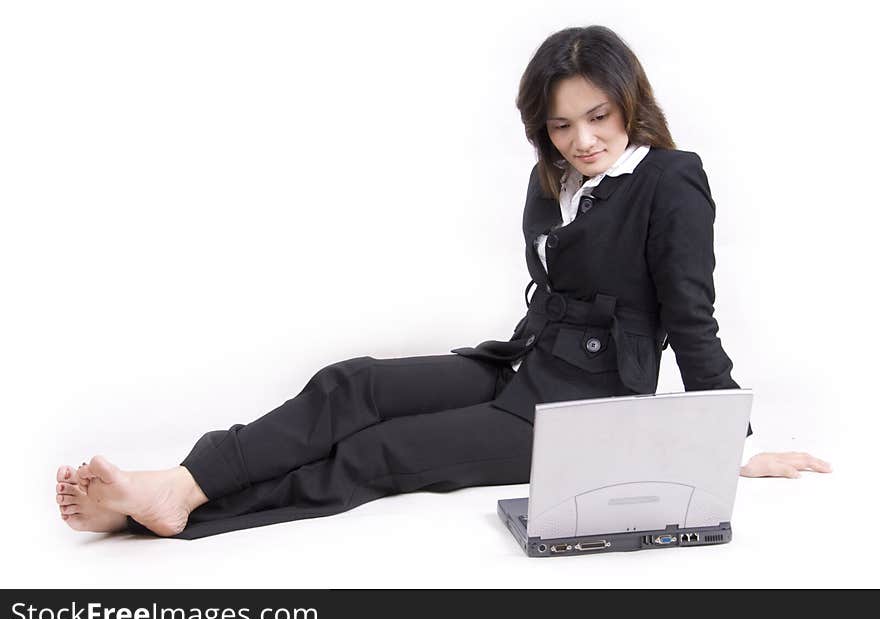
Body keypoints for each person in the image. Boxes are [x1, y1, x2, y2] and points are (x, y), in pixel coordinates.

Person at [56, 25, 831, 540]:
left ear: (631, 102)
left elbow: (692, 319)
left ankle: (165, 515)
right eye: (561, 125)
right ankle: (185, 478)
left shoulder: (671, 181)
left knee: (378, 454)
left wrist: (726, 444)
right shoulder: (553, 178)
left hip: (576, 410)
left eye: (597, 116)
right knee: (348, 385)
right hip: (520, 365)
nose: (582, 140)